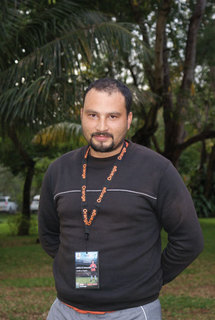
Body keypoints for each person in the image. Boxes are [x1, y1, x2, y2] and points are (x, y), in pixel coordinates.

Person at [38, 78, 204, 320]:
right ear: (81, 115)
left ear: (128, 120)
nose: (101, 126)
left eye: (113, 116)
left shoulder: (157, 170)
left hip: (132, 312)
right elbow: (49, 236)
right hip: (65, 310)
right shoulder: (58, 170)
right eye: (93, 115)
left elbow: (189, 240)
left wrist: (150, 278)